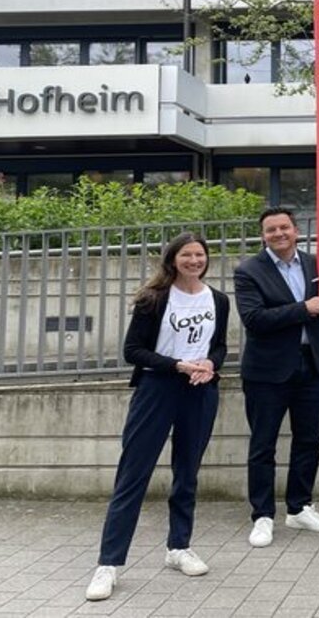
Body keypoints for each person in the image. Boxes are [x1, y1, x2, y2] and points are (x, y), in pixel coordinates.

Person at [85, 231, 228, 602]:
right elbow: (132, 350)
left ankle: (179, 546)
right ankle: (109, 564)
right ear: (172, 259)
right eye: (186, 255)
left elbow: (220, 345)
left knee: (187, 473)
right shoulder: (154, 299)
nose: (194, 261)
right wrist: (177, 365)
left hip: (200, 391)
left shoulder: (219, 300)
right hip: (157, 390)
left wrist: (211, 364)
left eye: (200, 255)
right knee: (133, 475)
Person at [236, 207, 319, 548]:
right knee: (263, 445)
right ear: (263, 236)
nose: (279, 234)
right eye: (271, 230)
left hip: (311, 365)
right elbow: (254, 319)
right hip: (267, 372)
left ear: (296, 230)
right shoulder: (248, 271)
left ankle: (300, 507)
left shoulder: (316, 264)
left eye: (284, 227)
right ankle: (263, 516)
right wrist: (304, 308)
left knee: (309, 440)